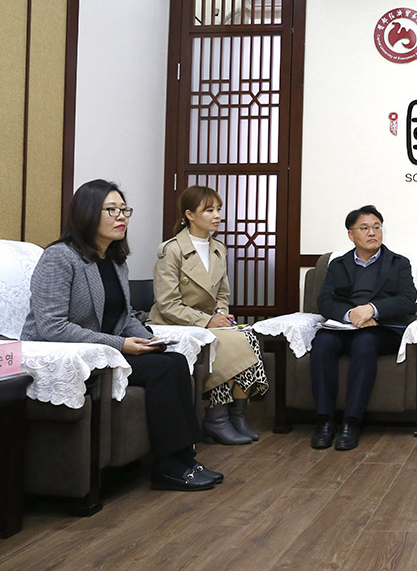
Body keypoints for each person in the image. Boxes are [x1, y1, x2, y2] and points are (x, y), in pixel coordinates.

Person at [21, 179, 220, 491]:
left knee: (175, 360)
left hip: (105, 351)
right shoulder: (60, 257)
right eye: (111, 210)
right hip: (65, 356)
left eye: (124, 210)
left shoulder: (114, 259)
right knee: (164, 369)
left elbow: (124, 315)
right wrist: (121, 344)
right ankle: (169, 467)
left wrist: (148, 339)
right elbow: (51, 326)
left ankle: (184, 458)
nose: (121, 217)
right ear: (87, 213)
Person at [149, 186, 269, 445]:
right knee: (225, 342)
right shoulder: (171, 250)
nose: (217, 215)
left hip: (207, 322)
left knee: (248, 336)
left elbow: (222, 294)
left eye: (218, 209)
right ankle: (217, 418)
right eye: (209, 210)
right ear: (189, 215)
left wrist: (221, 314)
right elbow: (167, 304)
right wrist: (207, 321)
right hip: (174, 323)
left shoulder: (218, 248)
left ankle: (237, 414)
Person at [310, 205, 417, 451]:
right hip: (344, 326)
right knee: (322, 342)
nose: (372, 233)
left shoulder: (399, 263)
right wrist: (351, 315)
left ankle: (351, 422)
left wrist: (372, 309)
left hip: (382, 329)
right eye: (365, 228)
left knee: (364, 342)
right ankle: (325, 421)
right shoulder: (338, 264)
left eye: (377, 227)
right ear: (351, 234)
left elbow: (407, 299)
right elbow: (324, 301)